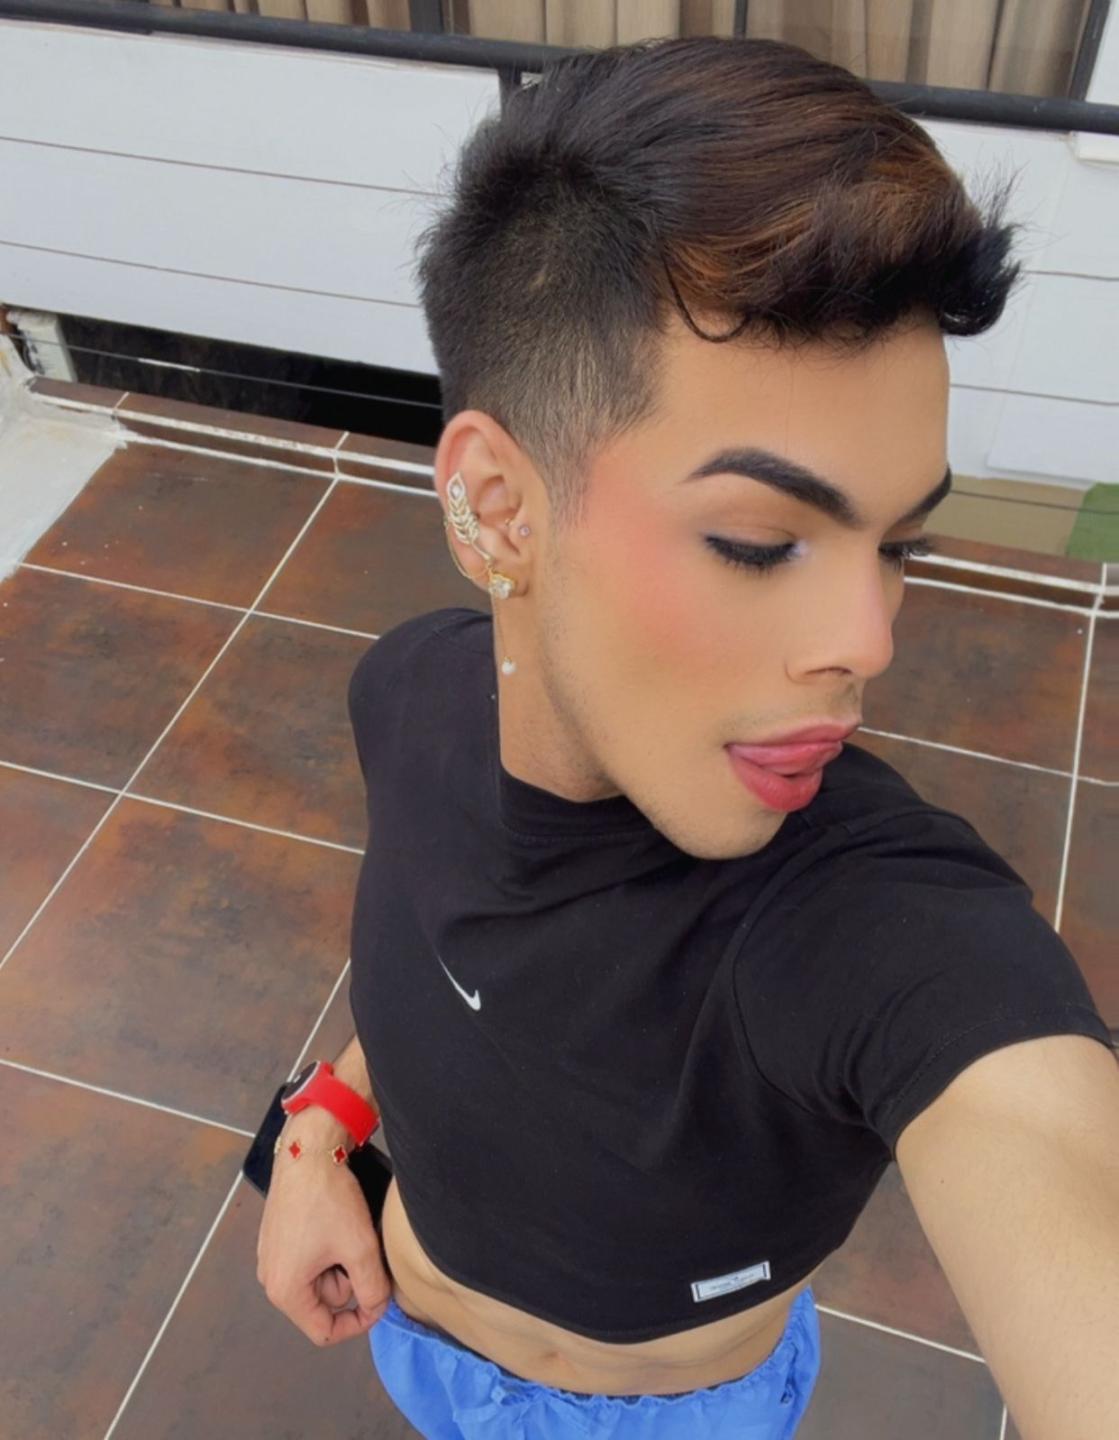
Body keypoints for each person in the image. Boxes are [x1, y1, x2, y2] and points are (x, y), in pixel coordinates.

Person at [256, 34, 1117, 1440]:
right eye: (760, 541)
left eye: (898, 545)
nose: (869, 640)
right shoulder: (406, 694)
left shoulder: (872, 921)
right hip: (414, 1337)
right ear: (498, 509)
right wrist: (319, 1134)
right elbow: (440, 949)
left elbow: (1025, 1109)